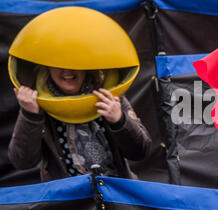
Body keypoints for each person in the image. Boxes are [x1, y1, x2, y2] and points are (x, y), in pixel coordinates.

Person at [8, 66, 152, 181]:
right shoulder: (37, 103)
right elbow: (22, 161)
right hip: (70, 208)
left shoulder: (109, 95)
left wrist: (119, 121)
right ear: (47, 68)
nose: (67, 71)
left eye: (74, 63)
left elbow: (141, 151)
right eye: (58, 64)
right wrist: (30, 116)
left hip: (117, 196)